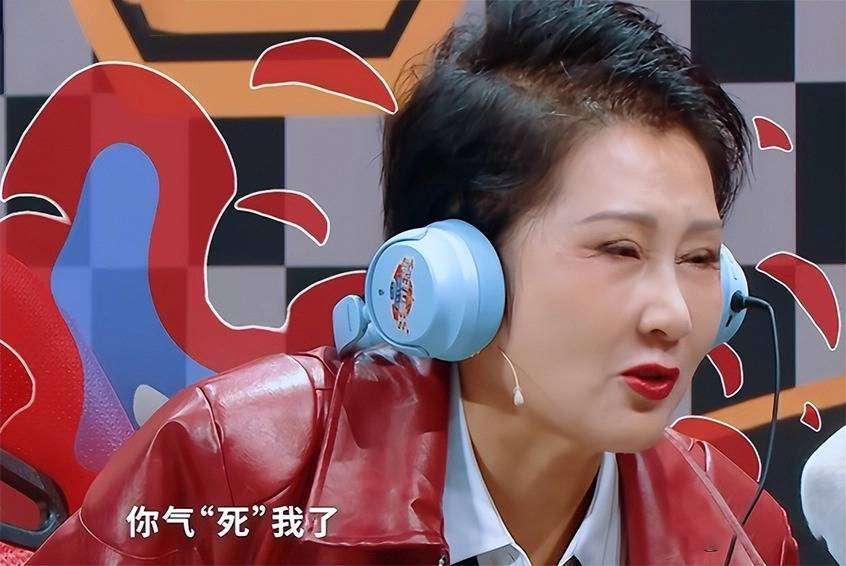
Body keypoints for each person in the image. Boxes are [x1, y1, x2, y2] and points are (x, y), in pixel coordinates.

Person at [27, 1, 798, 564]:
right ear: (455, 272)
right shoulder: (231, 467)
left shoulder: (738, 532)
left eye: (701, 259)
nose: (673, 314)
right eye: (620, 249)